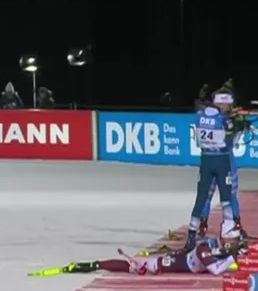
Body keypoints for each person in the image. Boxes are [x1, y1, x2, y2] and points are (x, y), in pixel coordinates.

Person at [33, 225, 244, 277]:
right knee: (127, 266)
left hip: (167, 261)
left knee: (132, 264)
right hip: (155, 266)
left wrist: (235, 257)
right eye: (233, 240)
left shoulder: (212, 247)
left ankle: (95, 264)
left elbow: (221, 257)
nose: (233, 243)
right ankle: (91, 265)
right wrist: (232, 259)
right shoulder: (205, 249)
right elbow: (216, 270)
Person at [187, 90, 241, 248]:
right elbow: (230, 143)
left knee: (202, 197)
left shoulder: (199, 116)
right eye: (228, 105)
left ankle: (192, 233)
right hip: (222, 161)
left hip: (206, 160)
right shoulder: (223, 119)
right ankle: (229, 229)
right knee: (227, 196)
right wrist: (238, 128)